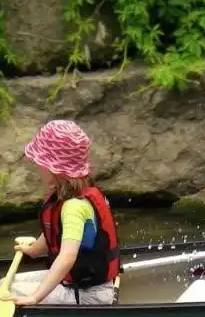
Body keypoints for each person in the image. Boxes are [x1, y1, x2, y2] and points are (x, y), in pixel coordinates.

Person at [7, 119, 121, 306]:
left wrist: (35, 297)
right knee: (7, 283)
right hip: (80, 285)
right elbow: (56, 231)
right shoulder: (72, 193)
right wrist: (34, 250)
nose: (37, 166)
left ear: (54, 168)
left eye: (39, 162)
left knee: (6, 291)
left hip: (88, 295)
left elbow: (67, 257)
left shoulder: (74, 207)